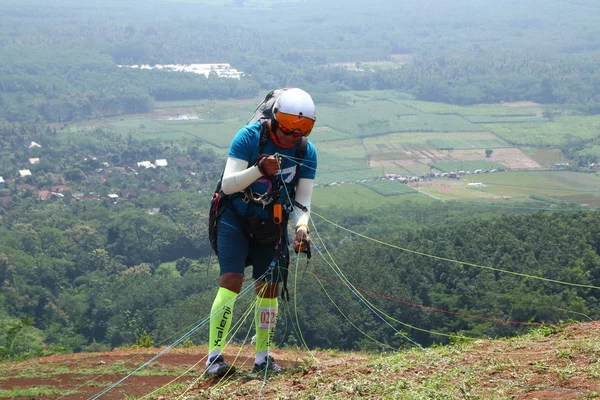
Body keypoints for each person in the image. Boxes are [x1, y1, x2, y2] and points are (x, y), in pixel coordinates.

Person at [205, 88, 318, 377]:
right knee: (231, 280)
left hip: (273, 223)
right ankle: (214, 358)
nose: (295, 136)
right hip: (235, 217)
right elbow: (229, 184)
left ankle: (262, 357)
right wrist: (259, 169)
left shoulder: (306, 152)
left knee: (269, 287)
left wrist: (302, 227)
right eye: (291, 128)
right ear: (276, 119)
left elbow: (302, 200)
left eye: (303, 129)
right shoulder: (249, 137)